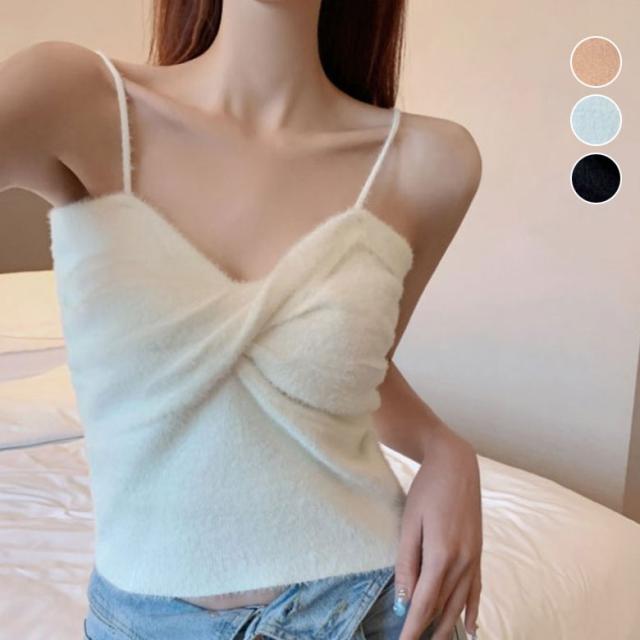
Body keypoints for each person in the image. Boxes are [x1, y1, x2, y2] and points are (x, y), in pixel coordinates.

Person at [0, 2, 483, 639]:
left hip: (371, 605)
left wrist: (445, 451)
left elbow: (363, 369)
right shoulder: (71, 96)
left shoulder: (431, 162)